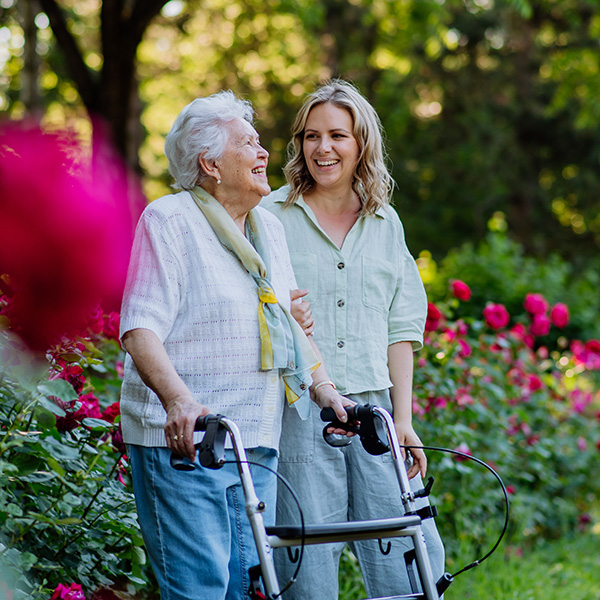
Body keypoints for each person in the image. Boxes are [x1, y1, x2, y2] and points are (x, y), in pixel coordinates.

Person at [119, 90, 349, 600]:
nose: (265, 153)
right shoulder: (170, 220)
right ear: (210, 163)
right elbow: (139, 326)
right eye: (249, 143)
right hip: (187, 443)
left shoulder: (267, 227)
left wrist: (325, 389)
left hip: (254, 441)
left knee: (250, 590)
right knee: (201, 588)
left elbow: (288, 324)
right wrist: (179, 400)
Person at [261, 80, 445, 599]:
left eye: (338, 135)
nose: (323, 148)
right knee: (305, 559)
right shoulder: (269, 218)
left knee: (408, 556)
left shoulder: (385, 223)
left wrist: (402, 419)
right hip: (300, 412)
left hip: (375, 413)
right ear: (298, 144)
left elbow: (401, 329)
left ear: (361, 142)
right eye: (311, 136)